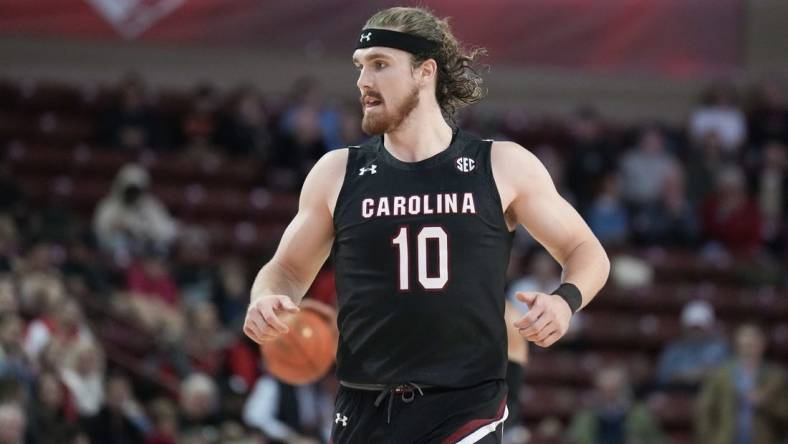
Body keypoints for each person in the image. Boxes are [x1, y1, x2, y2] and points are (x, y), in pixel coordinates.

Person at [243, 6, 609, 443]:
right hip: (363, 406)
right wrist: (266, 298)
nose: (363, 81)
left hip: (463, 408)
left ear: (425, 71)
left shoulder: (501, 165)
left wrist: (565, 301)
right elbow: (285, 271)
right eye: (360, 67)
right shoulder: (337, 172)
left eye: (380, 64)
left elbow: (586, 251)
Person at [696, 323, 788, 444]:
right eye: (744, 345)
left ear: (762, 345)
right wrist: (710, 440)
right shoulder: (721, 375)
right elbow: (705, 410)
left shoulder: (776, 377)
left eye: (752, 345)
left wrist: (766, 402)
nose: (748, 350)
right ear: (737, 346)